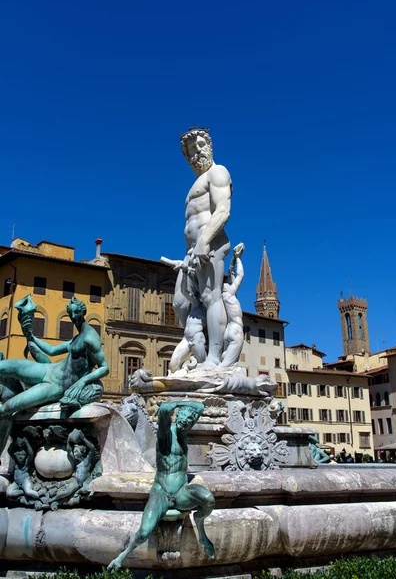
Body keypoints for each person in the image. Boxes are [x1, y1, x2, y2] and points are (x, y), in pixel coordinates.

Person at [108, 401, 215, 569]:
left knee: (208, 499)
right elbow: (165, 409)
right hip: (162, 492)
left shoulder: (183, 432)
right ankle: (122, 556)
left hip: (181, 492)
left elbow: (201, 407)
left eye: (188, 423)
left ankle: (200, 529)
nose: (184, 425)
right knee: (144, 532)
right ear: (177, 417)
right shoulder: (165, 435)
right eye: (182, 420)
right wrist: (177, 404)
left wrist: (184, 408)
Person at [0, 296, 109, 460]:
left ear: (83, 312)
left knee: (6, 409)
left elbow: (105, 367)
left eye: (77, 312)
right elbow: (51, 350)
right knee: (3, 366)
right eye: (71, 313)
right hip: (49, 369)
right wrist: (30, 336)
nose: (74, 317)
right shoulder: (77, 337)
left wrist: (83, 381)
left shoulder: (90, 338)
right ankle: (12, 392)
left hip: (57, 385)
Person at [172, 128, 232, 369]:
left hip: (211, 243)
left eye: (199, 146)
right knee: (180, 302)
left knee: (211, 296)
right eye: (190, 150)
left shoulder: (218, 172)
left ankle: (215, 359)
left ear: (209, 145)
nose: (196, 152)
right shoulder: (194, 184)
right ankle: (200, 349)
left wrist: (205, 240)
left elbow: (223, 210)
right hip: (191, 251)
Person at [220, 243, 244, 368]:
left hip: (227, 332)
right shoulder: (230, 292)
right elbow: (240, 275)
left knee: (225, 358)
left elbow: (232, 274)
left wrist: (232, 261)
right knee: (227, 366)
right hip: (236, 329)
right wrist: (238, 258)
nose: (231, 283)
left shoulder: (224, 296)